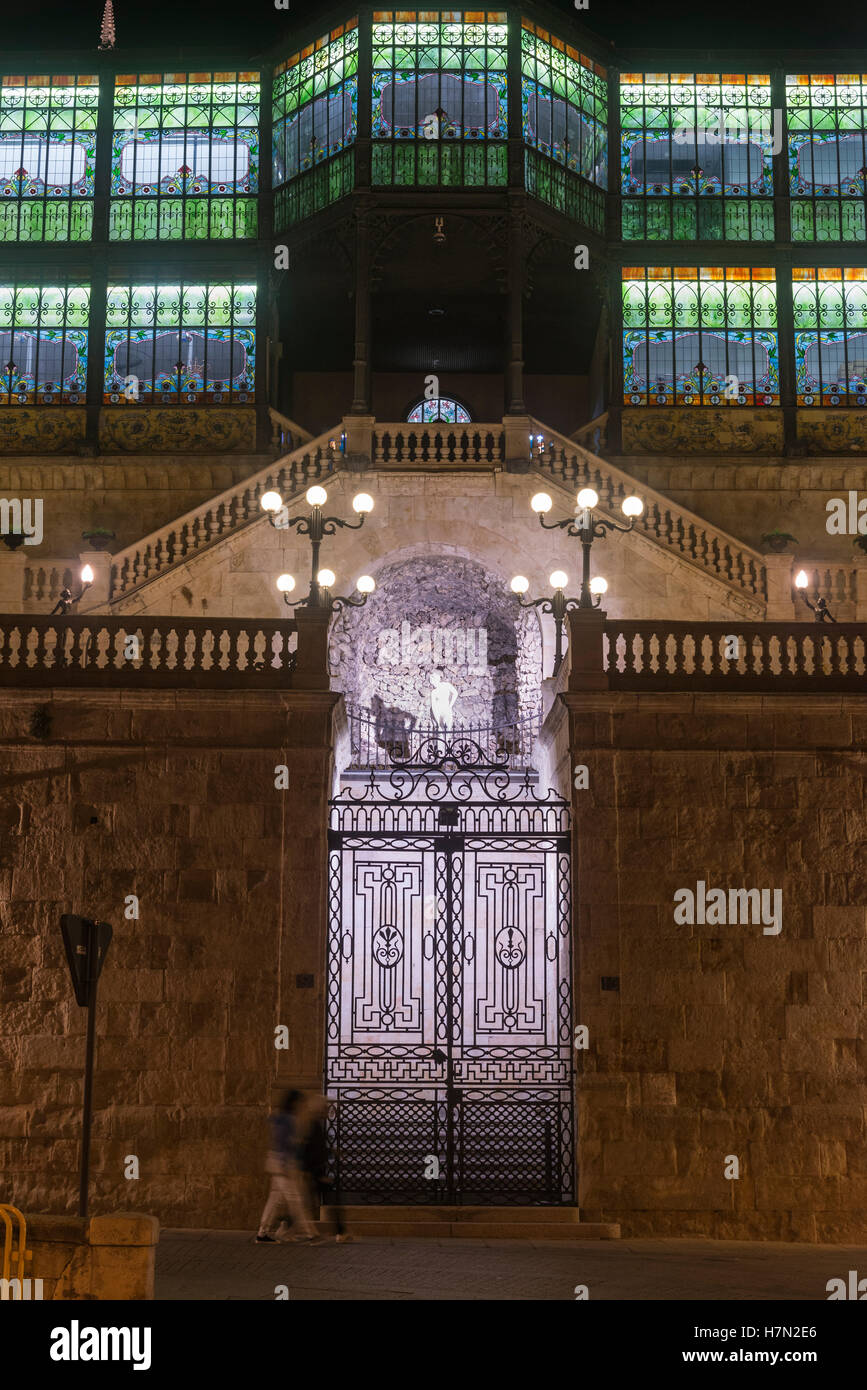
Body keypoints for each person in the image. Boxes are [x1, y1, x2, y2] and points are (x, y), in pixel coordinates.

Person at [255, 1089, 319, 1243]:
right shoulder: (289, 1120)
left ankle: (262, 1233)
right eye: (300, 1102)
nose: (302, 1105)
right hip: (284, 1163)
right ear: (294, 1103)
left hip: (275, 1161)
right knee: (295, 1199)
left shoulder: (277, 1118)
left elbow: (278, 1141)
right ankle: (311, 1234)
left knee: (275, 1199)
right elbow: (287, 1143)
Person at [300, 1093, 351, 1243]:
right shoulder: (314, 1125)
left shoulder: (314, 1124)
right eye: (324, 1107)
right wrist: (320, 1172)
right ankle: (338, 1232)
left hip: (315, 1170)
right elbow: (315, 1150)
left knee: (308, 1203)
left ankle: (289, 1224)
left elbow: (317, 1148)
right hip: (317, 1171)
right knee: (331, 1202)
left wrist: (333, 1152)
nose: (326, 1110)